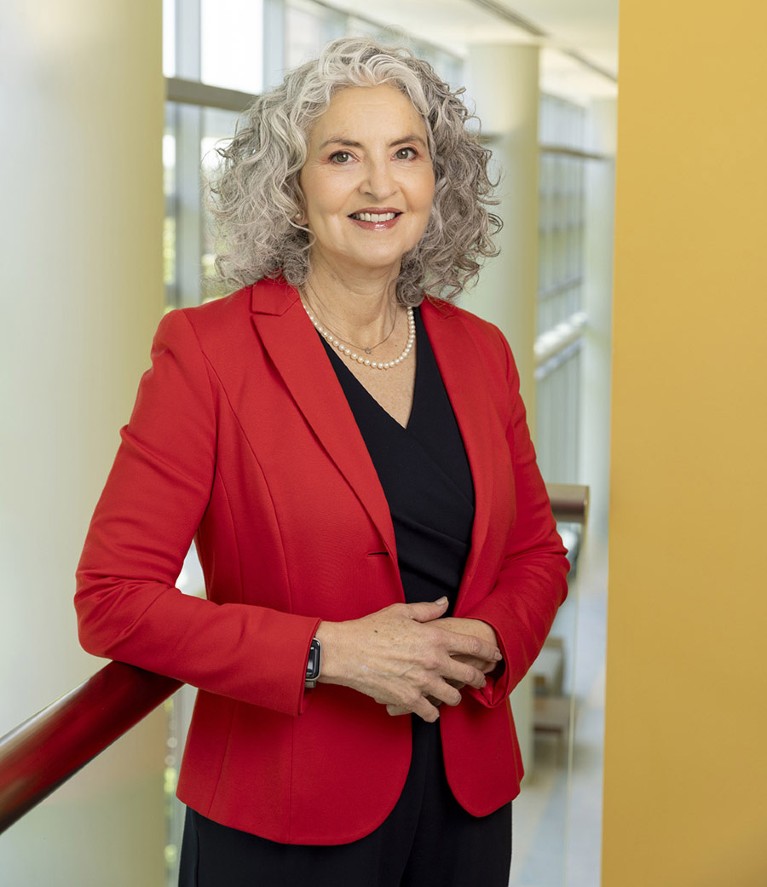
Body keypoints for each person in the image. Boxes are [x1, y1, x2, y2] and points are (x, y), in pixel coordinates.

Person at [75, 37, 569, 887]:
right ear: (292, 188)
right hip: (281, 818)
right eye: (343, 156)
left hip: (463, 802)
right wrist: (325, 653)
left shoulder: (478, 351)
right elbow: (113, 601)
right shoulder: (208, 352)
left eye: (405, 154)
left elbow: (533, 553)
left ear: (434, 181)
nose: (380, 186)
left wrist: (488, 637)